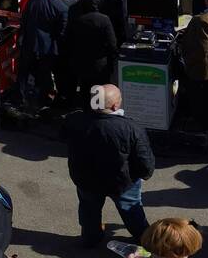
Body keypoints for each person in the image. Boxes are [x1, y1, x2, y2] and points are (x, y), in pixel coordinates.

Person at [62, 83, 156, 247]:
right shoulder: (131, 128)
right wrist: (144, 174)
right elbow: (144, 161)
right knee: (132, 211)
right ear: (115, 105)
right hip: (122, 182)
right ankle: (144, 239)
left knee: (89, 210)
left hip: (86, 179)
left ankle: (91, 238)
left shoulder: (74, 120)